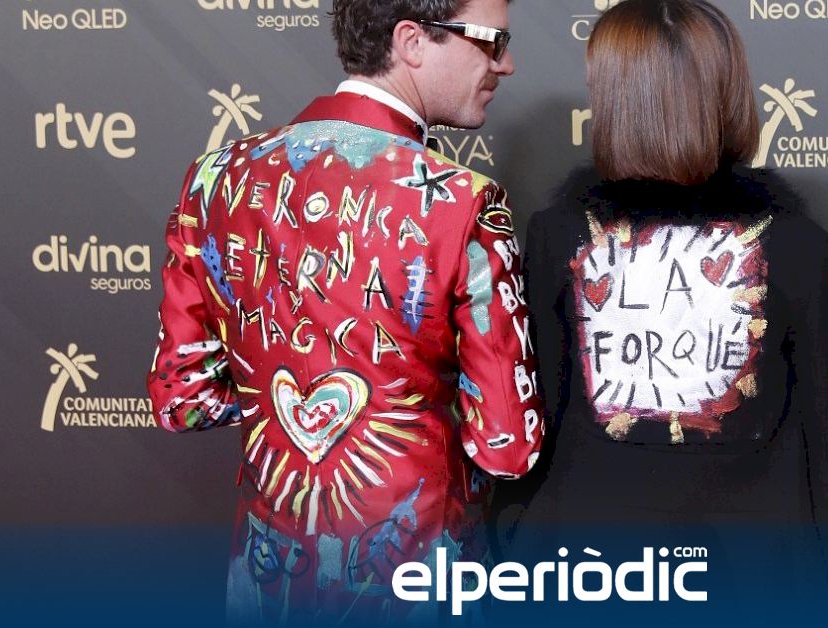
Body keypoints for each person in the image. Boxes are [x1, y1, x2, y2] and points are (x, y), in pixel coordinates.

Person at [146, 0, 542, 622]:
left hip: (267, 587)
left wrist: (275, 397)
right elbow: (506, 447)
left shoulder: (213, 180)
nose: (506, 63)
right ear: (412, 41)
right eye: (491, 41)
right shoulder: (466, 202)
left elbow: (183, 400)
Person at [492, 0, 828, 617]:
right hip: (744, 578)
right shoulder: (800, 246)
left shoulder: (558, 235)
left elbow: (536, 426)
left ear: (616, 102)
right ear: (728, 94)